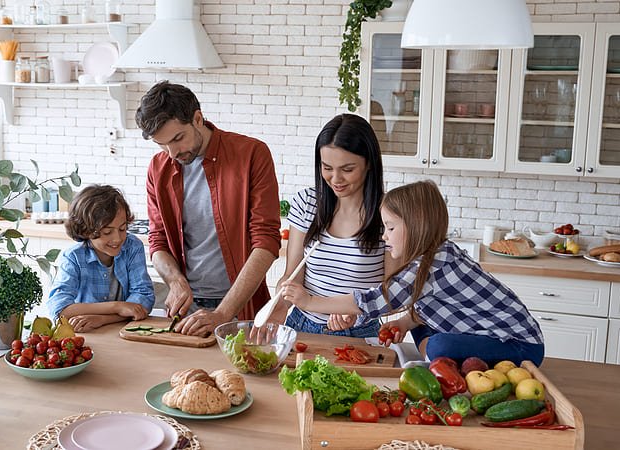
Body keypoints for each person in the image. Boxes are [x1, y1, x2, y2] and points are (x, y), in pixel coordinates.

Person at [280, 180, 545, 366]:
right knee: (424, 327)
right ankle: (434, 353)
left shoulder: (433, 264)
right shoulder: (433, 254)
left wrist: (310, 302)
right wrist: (405, 323)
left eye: (391, 228)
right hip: (487, 333)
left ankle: (435, 355)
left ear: (416, 227)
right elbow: (432, 303)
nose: (384, 236)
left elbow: (377, 299)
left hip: (519, 345)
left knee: (440, 346)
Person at [137, 81, 281, 337]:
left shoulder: (252, 154)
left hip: (239, 306)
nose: (172, 153)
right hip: (185, 311)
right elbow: (157, 240)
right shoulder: (158, 168)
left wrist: (223, 314)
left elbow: (266, 242)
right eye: (162, 145)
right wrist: (175, 281)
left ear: (198, 118)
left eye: (177, 138)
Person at [267, 114, 388, 337]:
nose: (335, 179)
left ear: (369, 163)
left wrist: (355, 311)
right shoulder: (307, 203)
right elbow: (292, 276)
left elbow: (391, 294)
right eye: (327, 167)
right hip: (301, 326)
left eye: (347, 169)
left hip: (360, 333)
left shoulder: (388, 214)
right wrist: (279, 305)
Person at [48, 185, 155, 332]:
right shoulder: (74, 257)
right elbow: (59, 309)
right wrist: (117, 306)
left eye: (122, 229)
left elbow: (144, 300)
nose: (117, 238)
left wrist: (102, 319)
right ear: (86, 230)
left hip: (124, 331)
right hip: (87, 334)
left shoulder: (133, 247)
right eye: (107, 232)